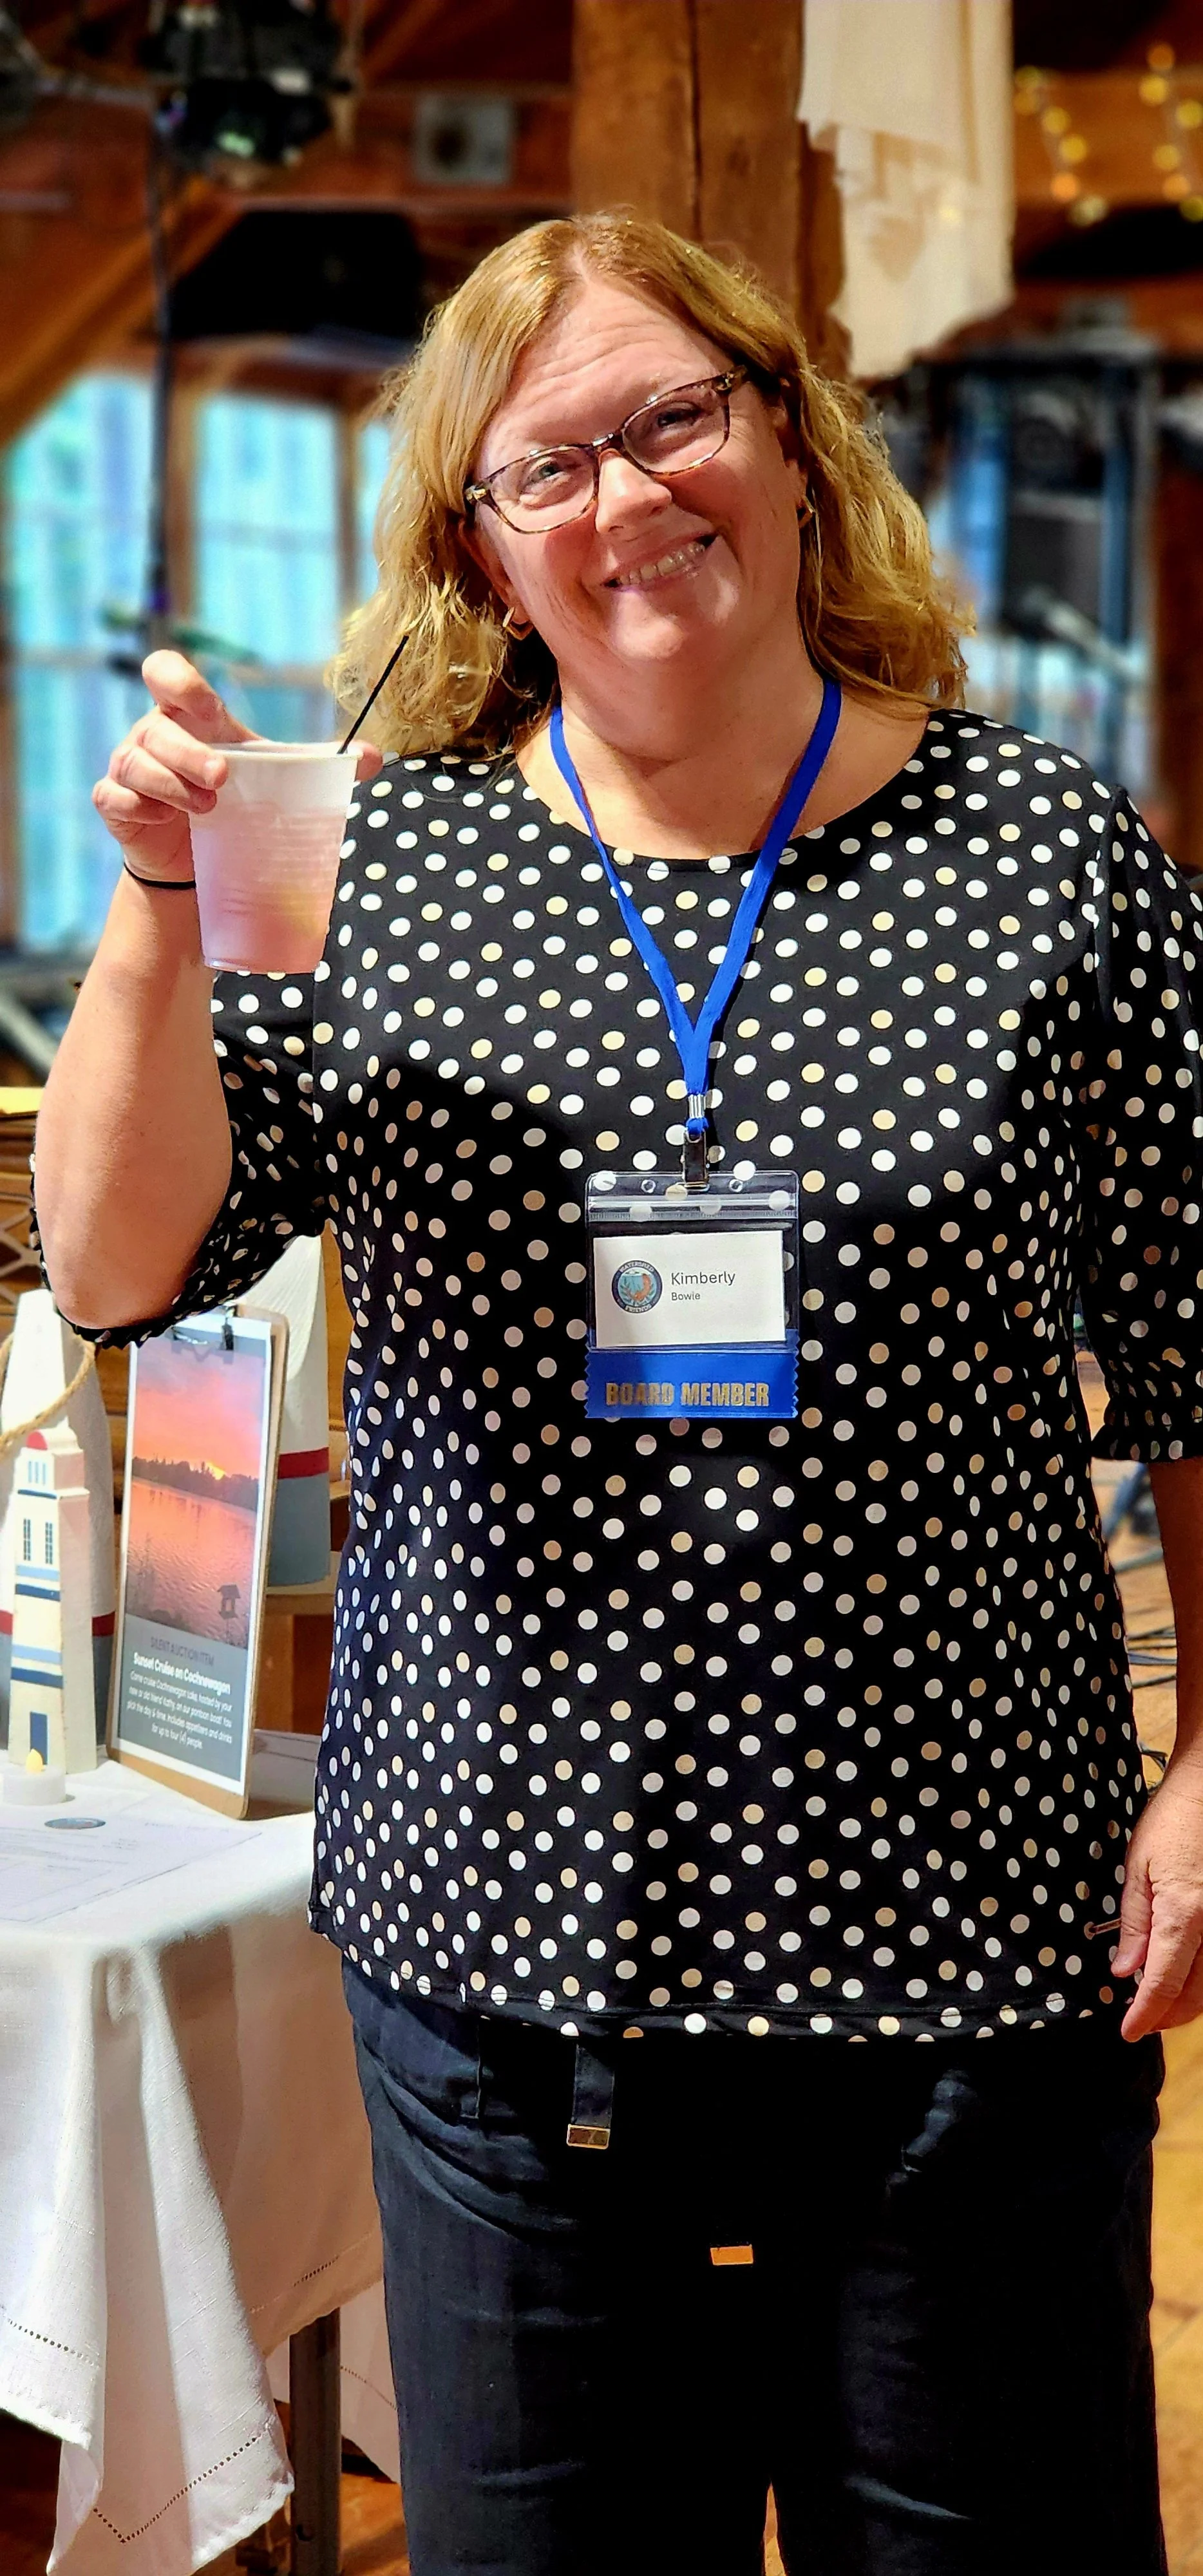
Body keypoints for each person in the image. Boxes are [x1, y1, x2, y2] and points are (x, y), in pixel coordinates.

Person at [35, 211, 1203, 2576]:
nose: (627, 498)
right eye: (543, 465)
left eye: (676, 417)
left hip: (972, 1950)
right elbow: (117, 1259)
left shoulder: (1048, 858)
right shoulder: (369, 864)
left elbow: (1197, 1345)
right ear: (478, 547)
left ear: (789, 433)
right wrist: (154, 906)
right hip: (511, 1959)